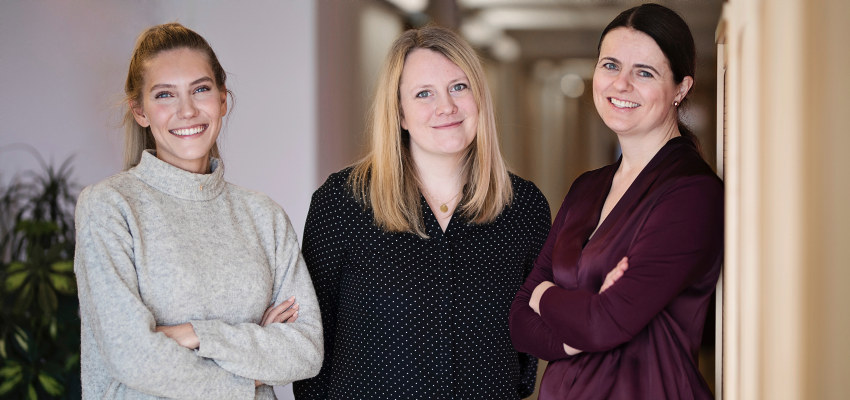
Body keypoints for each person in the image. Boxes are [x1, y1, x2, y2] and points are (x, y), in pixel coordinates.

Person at [292, 25, 551, 399]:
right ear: (399, 114)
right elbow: (313, 336)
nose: (446, 107)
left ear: (480, 97)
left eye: (459, 87)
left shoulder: (523, 208)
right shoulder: (343, 203)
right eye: (423, 94)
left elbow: (530, 338)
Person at [73, 23, 322, 399]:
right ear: (140, 111)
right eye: (165, 95)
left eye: (200, 89)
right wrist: (252, 369)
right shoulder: (109, 207)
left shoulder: (264, 216)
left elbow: (304, 352)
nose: (187, 110)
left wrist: (195, 334)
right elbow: (133, 357)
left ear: (223, 99)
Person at [509, 4, 723, 399]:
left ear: (681, 88)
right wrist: (577, 325)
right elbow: (520, 320)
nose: (620, 84)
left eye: (644, 72)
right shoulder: (587, 188)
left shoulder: (692, 194)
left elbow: (601, 323)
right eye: (610, 65)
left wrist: (547, 296)